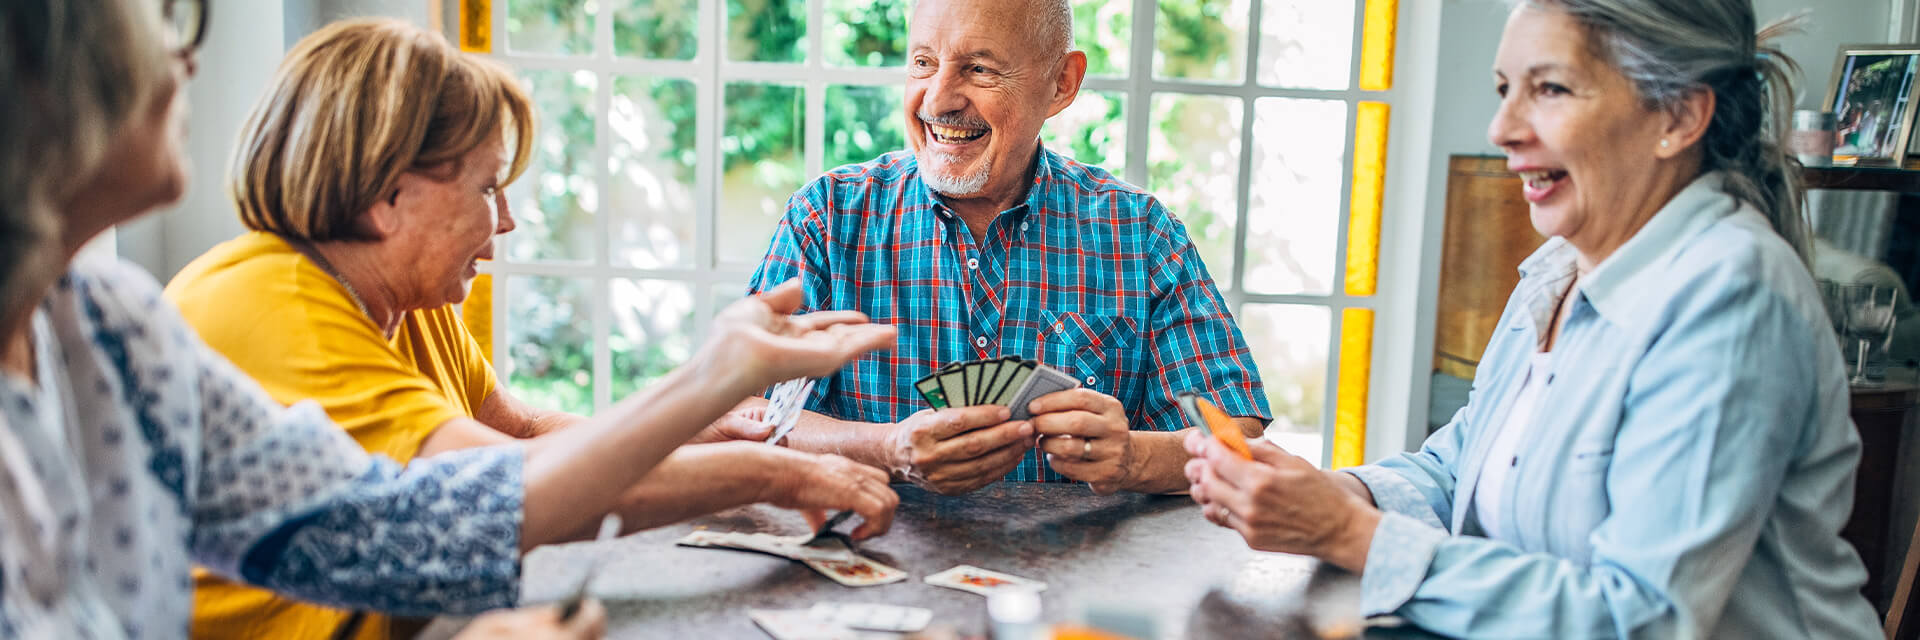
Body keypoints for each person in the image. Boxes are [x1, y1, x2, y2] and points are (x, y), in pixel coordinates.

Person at [0, 1, 898, 638]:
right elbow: (495, 484)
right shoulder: (271, 303)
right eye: (486, 186)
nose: (185, 53)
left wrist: (720, 415)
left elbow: (394, 522)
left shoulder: (114, 326)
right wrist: (739, 435)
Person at [1183, 1, 1882, 637]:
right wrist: (1331, 493)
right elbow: (1461, 472)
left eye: (1549, 89)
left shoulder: (1732, 295)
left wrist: (1350, 534)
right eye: (1503, 88)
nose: (1502, 130)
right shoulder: (1559, 271)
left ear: (1677, 118)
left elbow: (1640, 617)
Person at [742, 0, 1272, 497]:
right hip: (871, 558)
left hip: (1077, 579)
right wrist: (884, 448)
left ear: (1061, 83)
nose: (938, 100)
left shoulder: (1142, 232)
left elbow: (1237, 436)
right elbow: (743, 413)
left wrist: (1132, 457)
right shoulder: (828, 215)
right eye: (923, 63)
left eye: (979, 69)